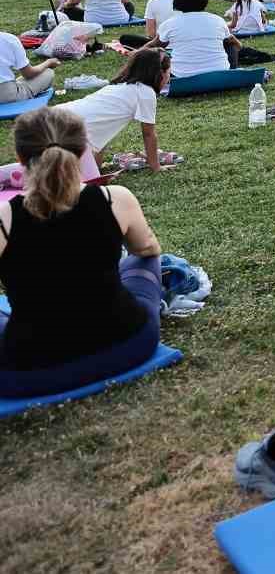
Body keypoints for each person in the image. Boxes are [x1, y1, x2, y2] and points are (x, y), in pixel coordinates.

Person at [0, 107, 164, 400]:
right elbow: (149, 249)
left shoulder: (5, 218)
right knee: (145, 258)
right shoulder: (116, 198)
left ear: (21, 158)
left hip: (27, 374)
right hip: (129, 346)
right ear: (81, 151)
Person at [59, 47, 168, 173]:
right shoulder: (146, 93)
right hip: (65, 132)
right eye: (169, 72)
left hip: (55, 117)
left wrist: (96, 168)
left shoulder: (117, 86)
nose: (169, 76)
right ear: (160, 73)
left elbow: (102, 133)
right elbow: (149, 134)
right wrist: (156, 167)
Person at [158, 0, 238, 77]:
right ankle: (233, 71)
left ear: (177, 2)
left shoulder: (169, 23)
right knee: (229, 43)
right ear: (204, 0)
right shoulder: (218, 20)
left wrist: (139, 51)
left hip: (181, 75)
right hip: (221, 72)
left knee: (158, 52)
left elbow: (155, 45)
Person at [0, 30, 58, 104]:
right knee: (48, 72)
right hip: (7, 95)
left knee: (16, 82)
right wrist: (48, 63)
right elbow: (29, 74)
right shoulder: (9, 39)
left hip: (7, 88)